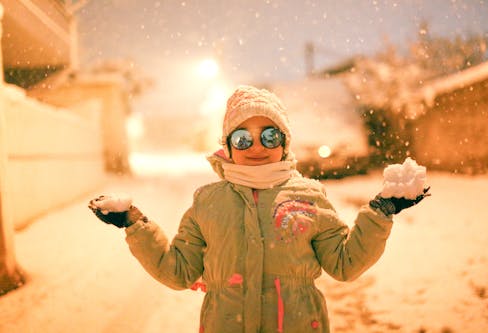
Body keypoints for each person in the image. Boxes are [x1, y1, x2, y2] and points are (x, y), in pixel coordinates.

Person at [89, 85, 429, 333]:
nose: (256, 147)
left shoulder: (309, 195)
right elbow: (178, 271)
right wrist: (135, 225)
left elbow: (344, 263)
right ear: (228, 146)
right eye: (242, 138)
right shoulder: (208, 201)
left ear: (284, 144)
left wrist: (381, 211)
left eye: (269, 136)